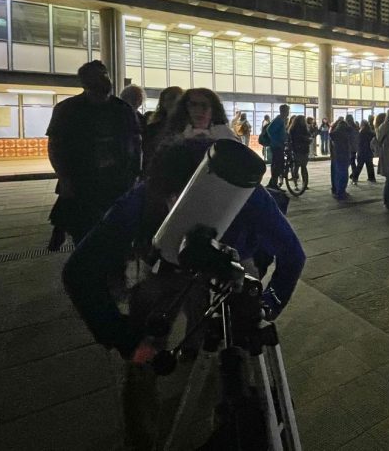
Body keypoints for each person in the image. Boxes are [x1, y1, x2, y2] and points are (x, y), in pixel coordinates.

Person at [61, 136, 305, 448]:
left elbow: (293, 257)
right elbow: (79, 271)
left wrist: (266, 307)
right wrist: (123, 338)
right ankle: (142, 437)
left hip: (231, 265)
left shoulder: (248, 196)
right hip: (165, 270)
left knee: (241, 362)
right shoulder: (142, 199)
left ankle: (237, 422)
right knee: (142, 361)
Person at [46, 60, 141, 247]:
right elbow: (55, 146)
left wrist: (134, 176)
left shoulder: (122, 109)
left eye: (105, 74)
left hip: (116, 182)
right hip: (82, 183)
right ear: (84, 82)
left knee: (116, 234)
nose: (104, 79)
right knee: (84, 235)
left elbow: (136, 144)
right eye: (96, 76)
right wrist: (65, 178)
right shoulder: (67, 109)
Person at [166, 88, 237, 142]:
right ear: (184, 107)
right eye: (193, 105)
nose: (199, 110)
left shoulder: (226, 136)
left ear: (214, 109)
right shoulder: (172, 135)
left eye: (204, 105)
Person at [142, 86, 183, 173]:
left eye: (175, 99)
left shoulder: (153, 125)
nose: (173, 102)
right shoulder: (153, 127)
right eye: (170, 99)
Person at [266, 105, 290, 189]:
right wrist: (276, 140)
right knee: (277, 165)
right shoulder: (279, 120)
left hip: (279, 145)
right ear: (283, 111)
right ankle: (273, 184)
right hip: (277, 146)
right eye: (287, 111)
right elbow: (269, 130)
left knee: (277, 164)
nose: (288, 113)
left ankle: (273, 183)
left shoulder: (281, 120)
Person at [329, 117, 353, 200]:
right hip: (343, 155)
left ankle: (336, 190)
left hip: (335, 156)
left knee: (336, 174)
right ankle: (341, 192)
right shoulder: (345, 132)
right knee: (343, 174)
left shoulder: (333, 133)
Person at [287, 115, 312, 189]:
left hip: (297, 149)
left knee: (297, 166)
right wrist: (308, 139)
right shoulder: (303, 128)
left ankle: (296, 184)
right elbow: (307, 137)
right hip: (303, 149)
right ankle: (304, 184)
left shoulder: (292, 128)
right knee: (303, 167)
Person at [346, 114, 360, 184]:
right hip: (355, 147)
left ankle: (354, 177)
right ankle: (354, 177)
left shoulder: (348, 127)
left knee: (350, 163)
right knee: (353, 162)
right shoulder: (356, 126)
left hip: (349, 148)